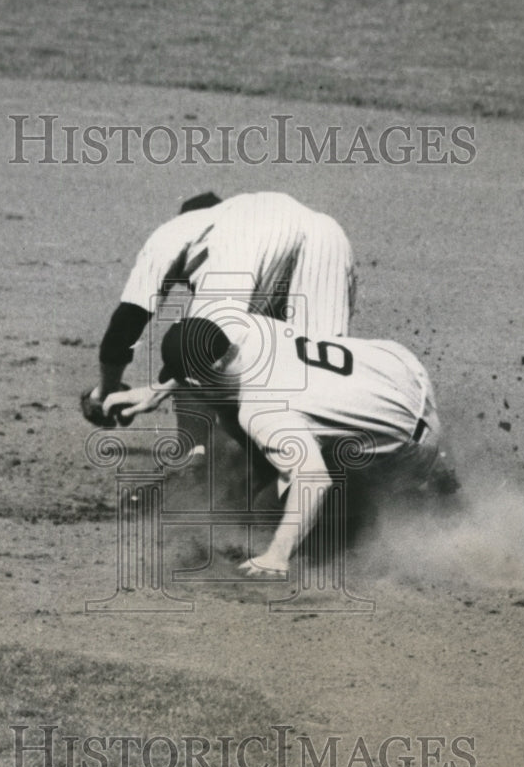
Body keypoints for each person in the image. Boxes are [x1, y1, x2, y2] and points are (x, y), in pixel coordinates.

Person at [102, 314, 459, 577]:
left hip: (407, 450)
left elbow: (313, 481)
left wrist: (277, 555)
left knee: (268, 515)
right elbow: (202, 360)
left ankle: (419, 492)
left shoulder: (262, 411)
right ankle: (435, 466)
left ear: (197, 377)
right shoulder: (246, 328)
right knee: (309, 419)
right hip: (403, 370)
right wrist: (155, 390)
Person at [80, 191, 357, 456]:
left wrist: (104, 392)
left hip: (249, 236)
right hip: (329, 236)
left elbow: (128, 319)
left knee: (192, 342)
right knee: (319, 366)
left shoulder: (179, 230)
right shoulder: (246, 215)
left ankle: (195, 460)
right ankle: (346, 467)